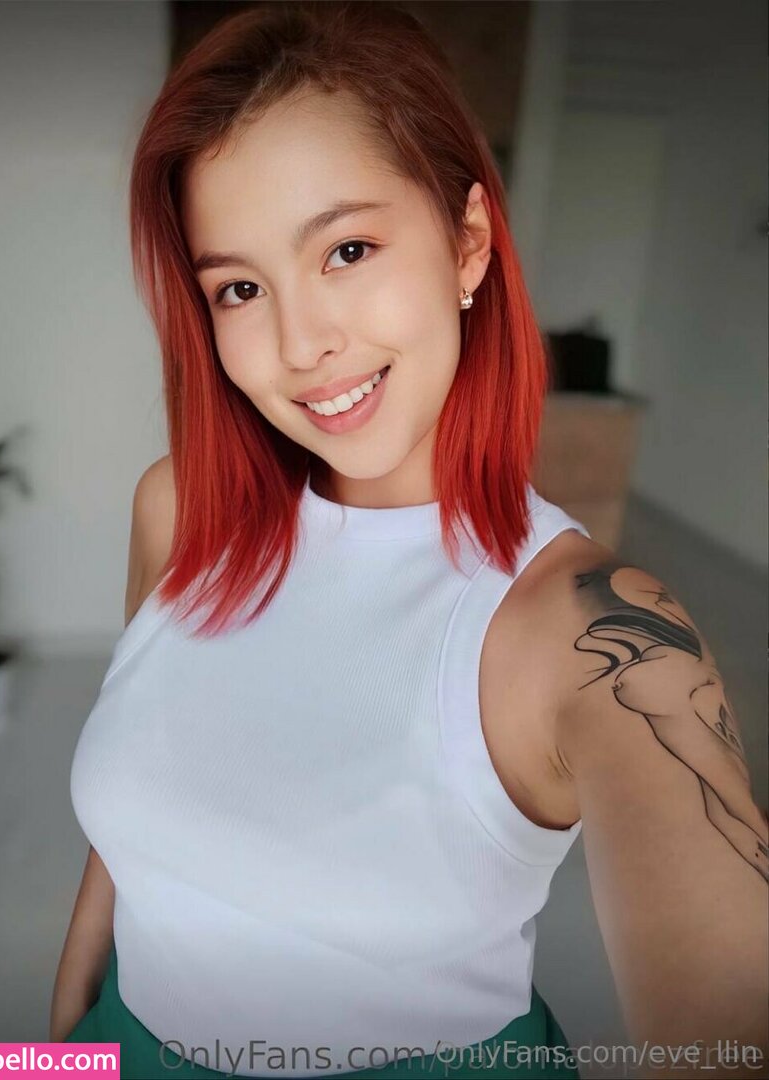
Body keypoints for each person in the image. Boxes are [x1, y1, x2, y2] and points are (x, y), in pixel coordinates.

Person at [50, 2, 769, 1078]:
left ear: (468, 241)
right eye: (239, 288)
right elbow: (141, 803)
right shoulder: (181, 508)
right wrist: (51, 1045)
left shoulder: (587, 635)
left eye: (346, 249)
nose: (302, 343)